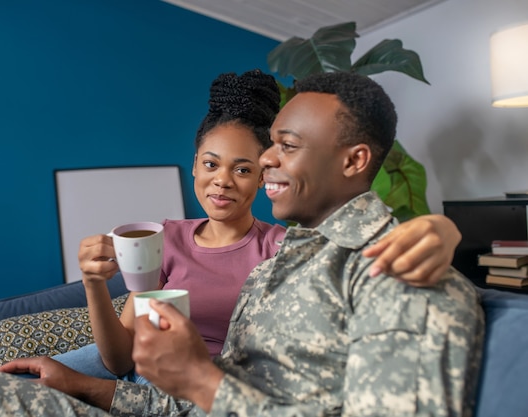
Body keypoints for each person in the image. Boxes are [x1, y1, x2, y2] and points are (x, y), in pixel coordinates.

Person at [0, 72, 478, 417]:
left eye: (285, 146)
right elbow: (184, 392)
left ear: (354, 160)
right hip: (146, 400)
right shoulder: (290, 264)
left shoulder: (399, 271)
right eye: (271, 144)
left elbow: (208, 389)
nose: (267, 161)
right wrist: (88, 387)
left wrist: (197, 379)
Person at [52, 69, 461, 382]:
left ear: (262, 174)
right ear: (194, 164)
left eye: (244, 168)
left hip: (202, 383)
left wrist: (444, 229)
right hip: (149, 369)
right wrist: (94, 285)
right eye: (210, 164)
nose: (223, 181)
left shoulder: (284, 250)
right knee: (15, 381)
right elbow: (122, 358)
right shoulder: (166, 238)